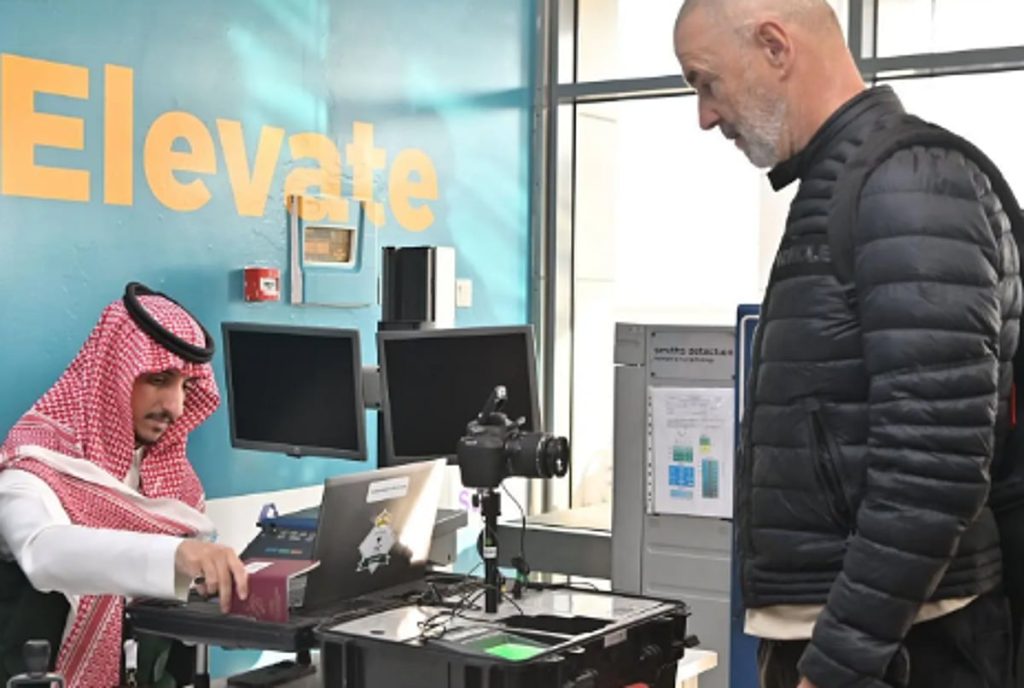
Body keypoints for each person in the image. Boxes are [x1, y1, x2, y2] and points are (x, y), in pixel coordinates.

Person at [673, 1, 1022, 687]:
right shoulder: (844, 185)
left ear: (775, 46)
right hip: (860, 640)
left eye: (705, 82)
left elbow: (933, 468)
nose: (706, 116)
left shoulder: (907, 184)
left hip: (900, 650)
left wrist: (837, 663)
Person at [0, 283, 249, 687]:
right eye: (159, 379)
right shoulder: (34, 462)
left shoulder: (175, 483)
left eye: (186, 387)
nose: (175, 407)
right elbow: (43, 551)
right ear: (111, 374)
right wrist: (176, 555)